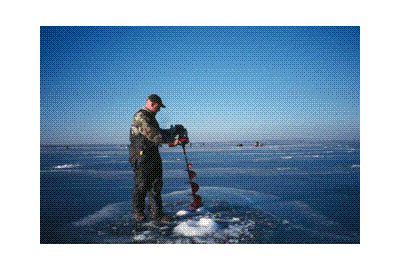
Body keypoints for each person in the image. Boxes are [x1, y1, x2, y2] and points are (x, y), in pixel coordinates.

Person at [128, 94, 185, 224]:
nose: (159, 110)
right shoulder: (141, 116)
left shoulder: (150, 117)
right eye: (158, 107)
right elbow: (154, 135)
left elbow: (159, 132)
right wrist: (174, 141)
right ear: (152, 104)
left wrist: (173, 130)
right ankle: (139, 212)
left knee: (156, 185)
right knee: (142, 184)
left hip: (152, 154)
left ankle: (156, 214)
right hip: (141, 155)